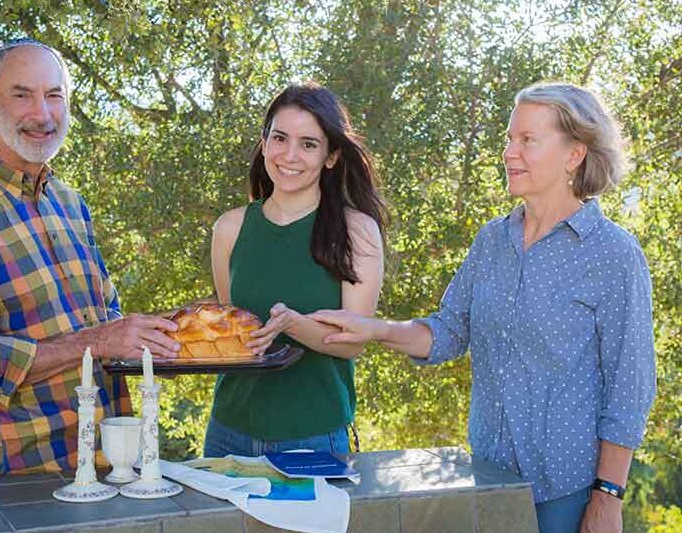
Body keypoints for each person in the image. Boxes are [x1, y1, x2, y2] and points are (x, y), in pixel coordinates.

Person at [309, 83, 655, 533]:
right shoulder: (493, 239)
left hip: (567, 491)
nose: (510, 152)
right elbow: (449, 331)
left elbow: (629, 386)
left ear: (574, 154)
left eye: (527, 140)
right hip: (487, 482)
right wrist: (373, 329)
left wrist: (608, 497)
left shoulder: (612, 253)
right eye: (509, 139)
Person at [0, 38, 180, 478]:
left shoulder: (70, 204)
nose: (43, 113)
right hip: (27, 482)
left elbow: (109, 324)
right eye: (22, 94)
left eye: (54, 95)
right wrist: (102, 341)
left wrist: (167, 344)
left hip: (116, 468)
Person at [203, 82, 387, 457]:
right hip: (227, 434)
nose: (290, 155)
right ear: (265, 142)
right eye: (280, 138)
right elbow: (234, 327)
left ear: (331, 156)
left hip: (314, 438)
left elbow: (352, 342)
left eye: (308, 144)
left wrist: (292, 324)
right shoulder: (229, 229)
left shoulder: (357, 232)